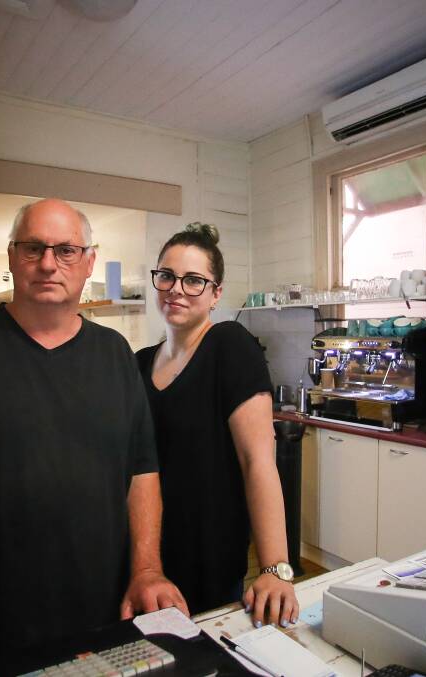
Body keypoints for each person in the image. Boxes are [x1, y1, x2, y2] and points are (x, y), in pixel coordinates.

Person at [0, 199, 186, 677]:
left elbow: (141, 472)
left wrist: (147, 570)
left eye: (66, 250)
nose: (48, 264)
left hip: (102, 612)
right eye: (33, 248)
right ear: (12, 256)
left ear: (89, 261)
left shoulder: (114, 354)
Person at [135, 223, 300, 628]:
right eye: (167, 276)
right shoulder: (139, 363)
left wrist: (274, 568)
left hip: (208, 557)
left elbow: (257, 461)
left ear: (216, 293)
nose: (176, 289)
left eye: (193, 280)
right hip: (146, 559)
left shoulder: (230, 346)